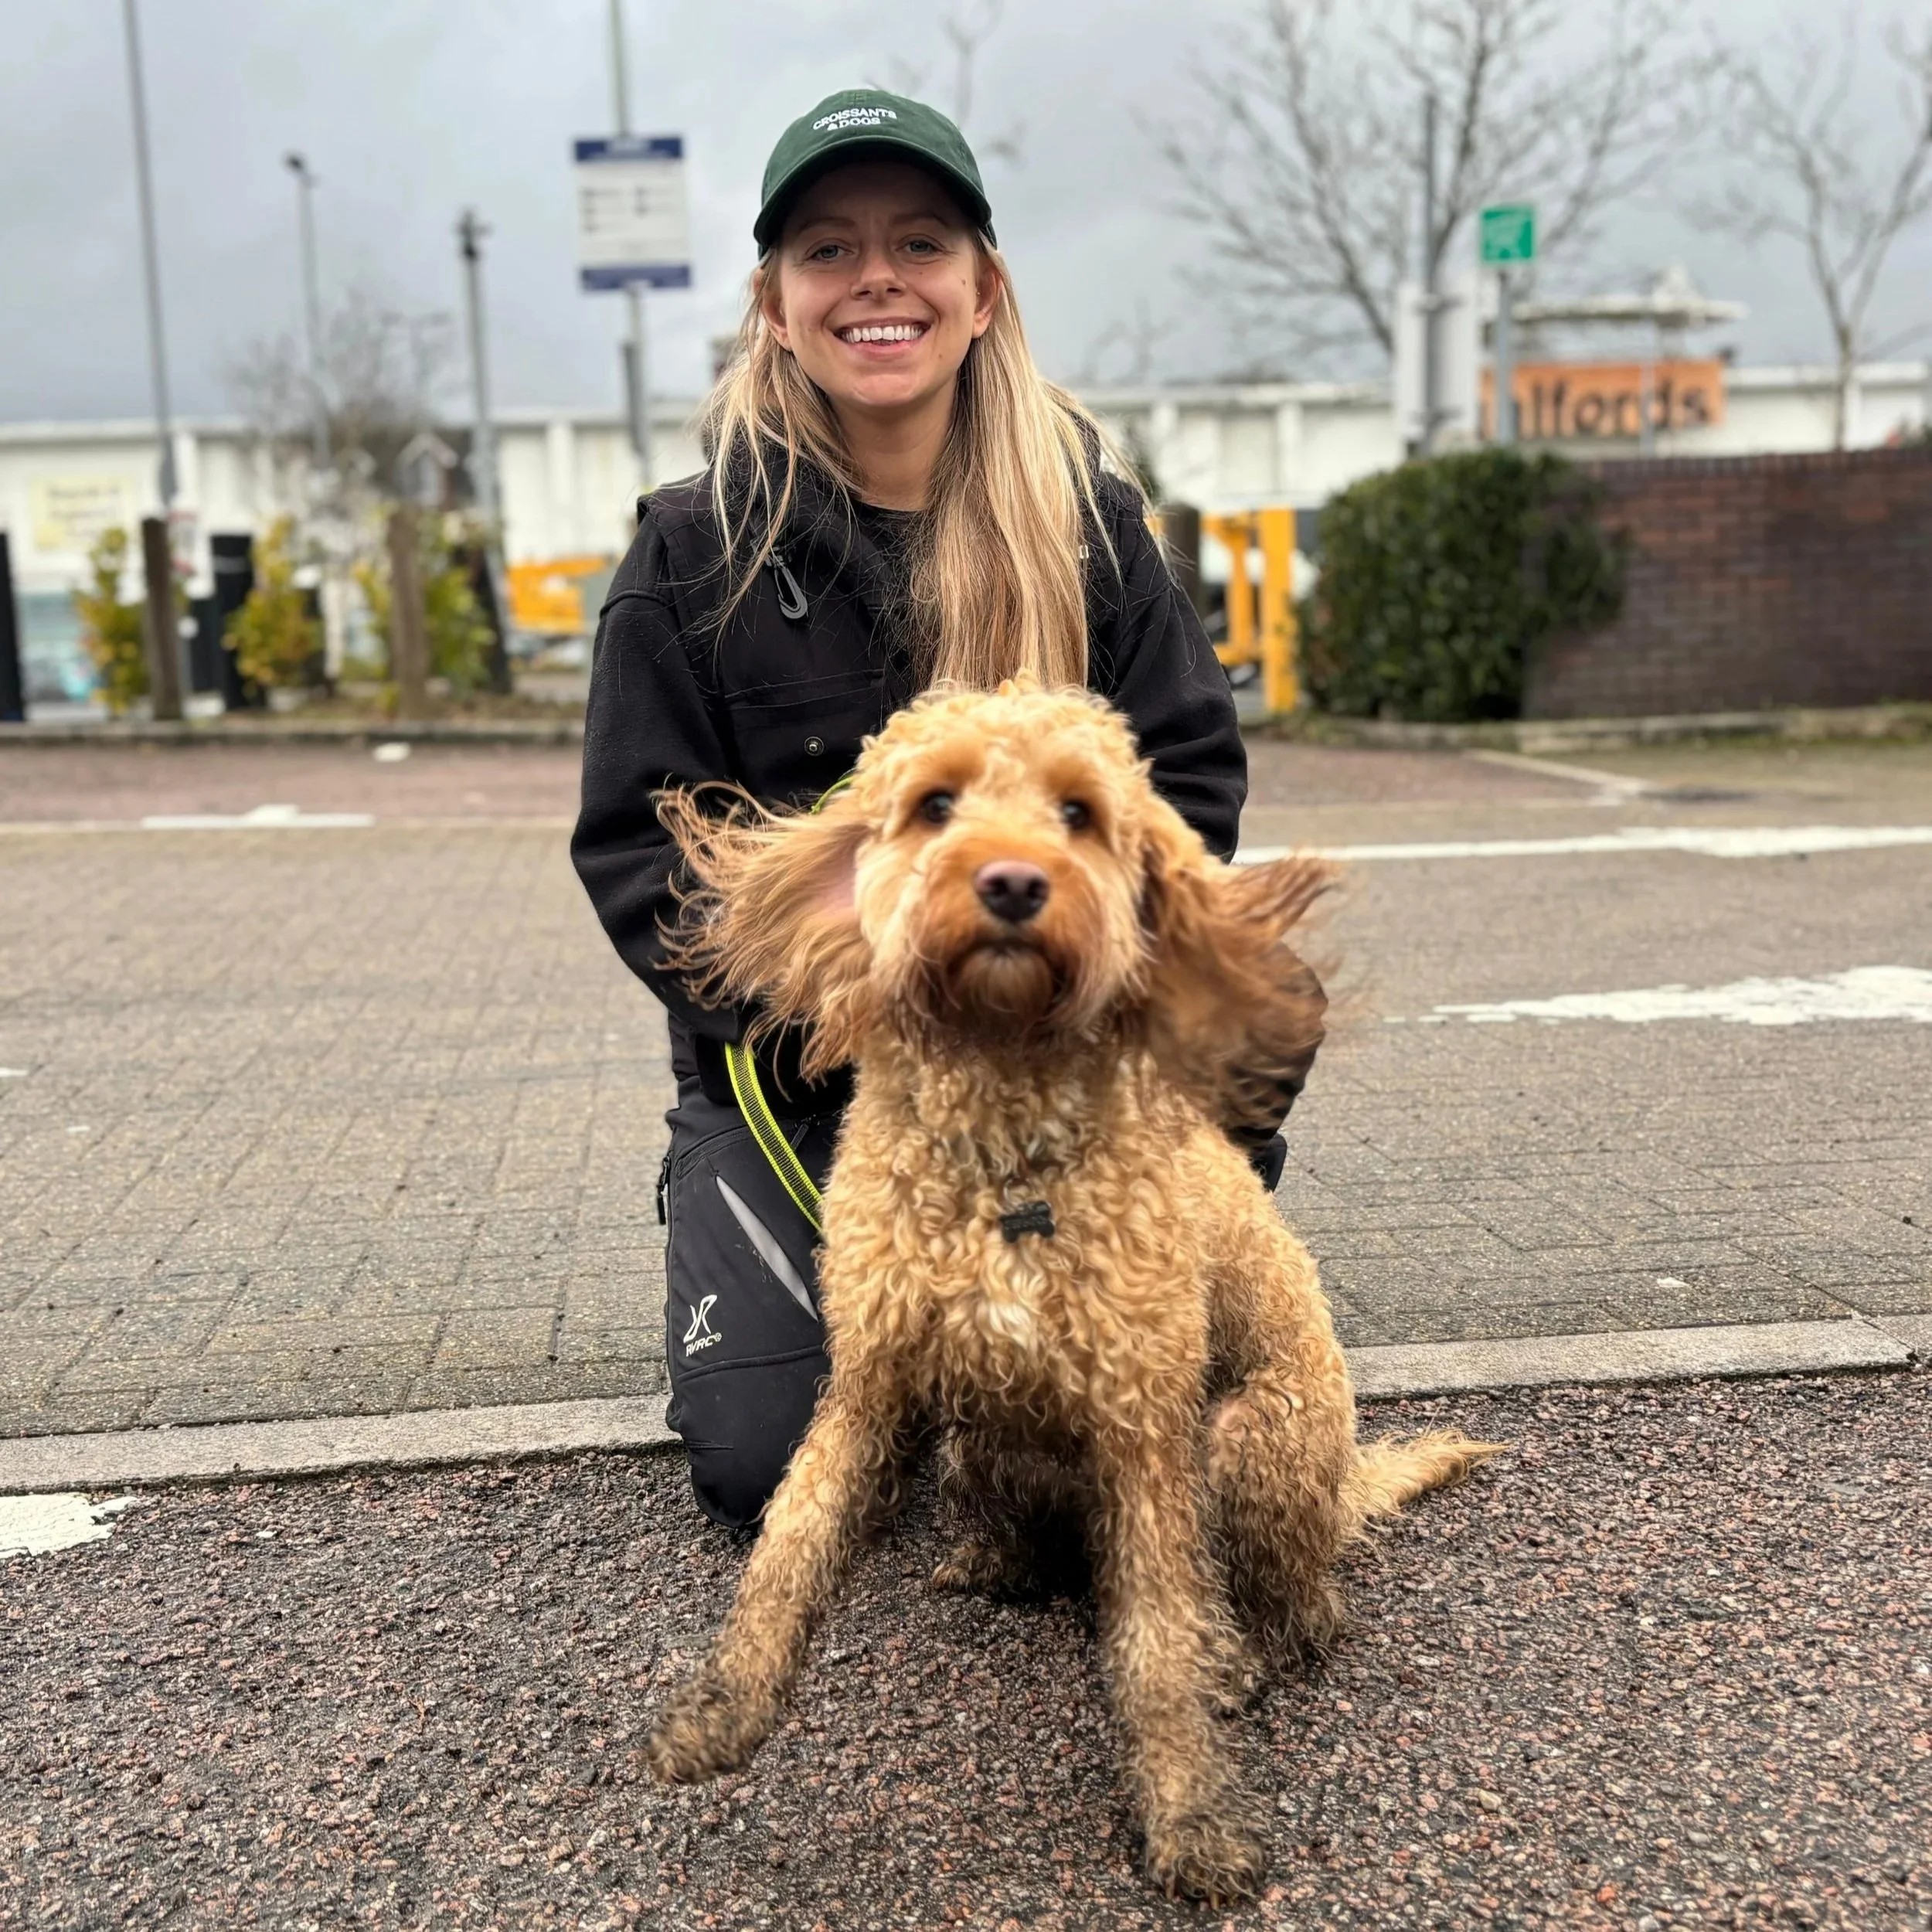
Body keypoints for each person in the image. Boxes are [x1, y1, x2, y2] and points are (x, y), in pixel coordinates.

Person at [572, 88, 1318, 1530]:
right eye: (827, 251)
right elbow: (636, 857)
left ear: (984, 291)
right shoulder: (692, 548)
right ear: (775, 307)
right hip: (807, 1074)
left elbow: (1193, 785)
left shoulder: (1089, 521)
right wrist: (862, 996)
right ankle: (775, 1249)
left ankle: (1155, 1261)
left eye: (920, 242)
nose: (877, 280)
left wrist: (1096, 967)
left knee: (1272, 989)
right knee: (765, 1462)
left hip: (1066, 1057)